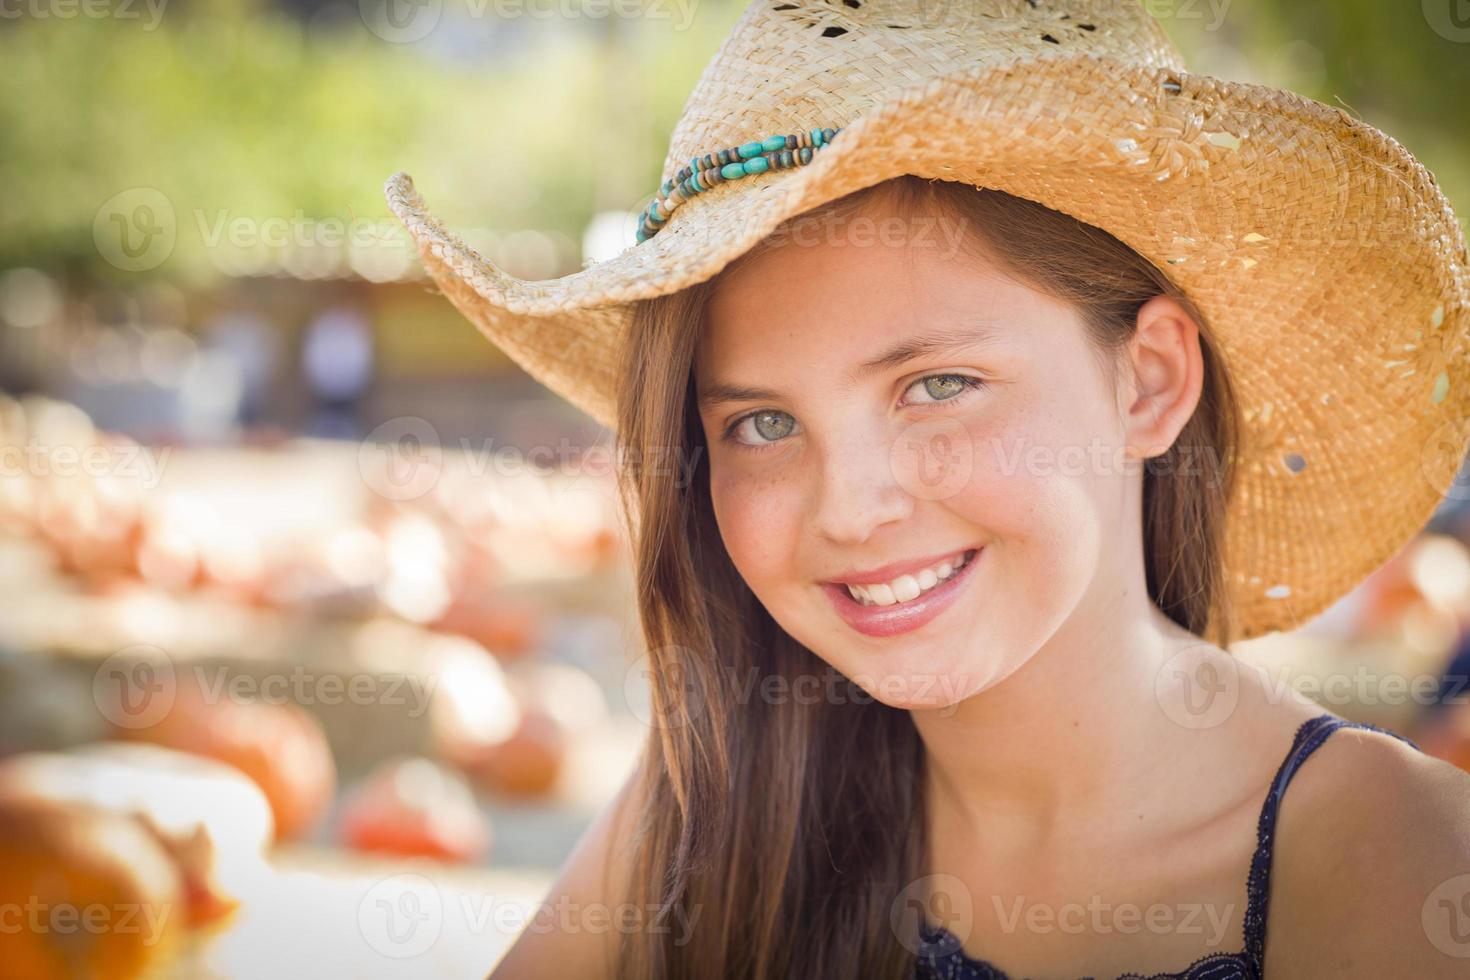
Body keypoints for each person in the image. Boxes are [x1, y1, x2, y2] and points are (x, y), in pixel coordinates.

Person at [385, 2, 1470, 977]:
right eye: (762, 422)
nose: (850, 509)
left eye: (936, 385)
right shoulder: (715, 805)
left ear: (1150, 381)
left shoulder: (1391, 858)